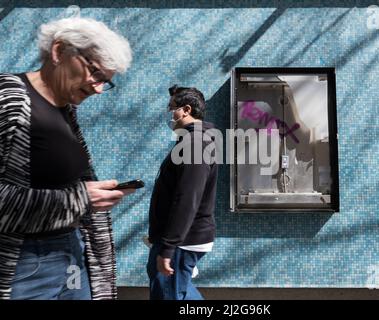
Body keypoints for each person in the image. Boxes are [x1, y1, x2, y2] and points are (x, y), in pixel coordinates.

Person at [0, 17, 134, 300]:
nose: (98, 88)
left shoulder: (66, 110)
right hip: (22, 263)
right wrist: (79, 200)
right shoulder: (7, 99)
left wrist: (92, 197)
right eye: (96, 73)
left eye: (106, 82)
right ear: (59, 51)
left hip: (72, 253)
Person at [146, 85, 218, 300]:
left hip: (183, 240)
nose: (169, 114)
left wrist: (168, 246)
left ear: (186, 110)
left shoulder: (195, 144)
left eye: (171, 108)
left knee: (169, 293)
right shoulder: (191, 140)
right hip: (179, 238)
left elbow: (188, 198)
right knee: (176, 290)